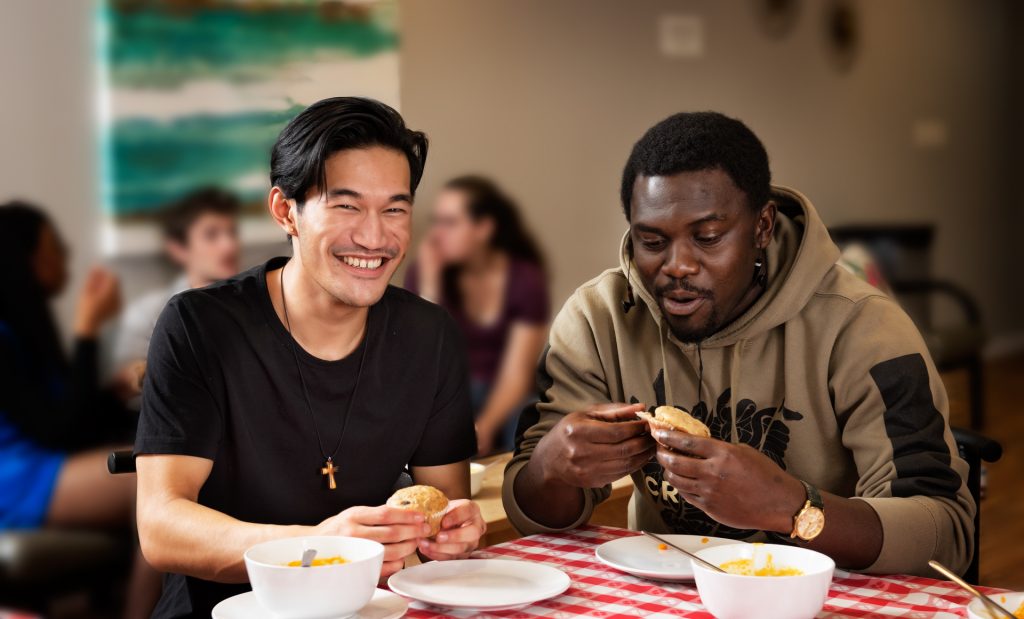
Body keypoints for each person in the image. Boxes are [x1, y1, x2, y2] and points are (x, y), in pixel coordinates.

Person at [503, 112, 975, 576]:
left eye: (707, 237)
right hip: (668, 598)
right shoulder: (597, 319)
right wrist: (551, 467)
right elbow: (534, 515)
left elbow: (945, 533)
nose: (678, 265)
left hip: (826, 598)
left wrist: (790, 507)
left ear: (762, 226)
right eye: (651, 241)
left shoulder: (864, 327)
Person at [134, 97, 486, 619]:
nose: (374, 236)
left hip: (370, 608)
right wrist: (318, 546)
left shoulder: (428, 335)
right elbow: (162, 526)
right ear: (285, 211)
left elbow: (442, 507)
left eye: (395, 208)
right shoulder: (201, 326)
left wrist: (453, 533)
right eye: (346, 205)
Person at [0, 202, 161, 619]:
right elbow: (59, 431)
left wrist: (109, 392)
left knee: (156, 465)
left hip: (41, 465)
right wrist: (87, 327)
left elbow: (72, 419)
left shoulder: (27, 327)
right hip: (15, 480)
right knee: (150, 480)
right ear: (24, 260)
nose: (65, 259)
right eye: (53, 250)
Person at [406, 176, 549, 455]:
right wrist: (431, 288)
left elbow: (517, 373)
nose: (436, 234)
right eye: (436, 221)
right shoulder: (424, 272)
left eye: (449, 223)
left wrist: (485, 425)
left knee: (528, 420)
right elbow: (420, 363)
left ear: (483, 229)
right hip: (444, 388)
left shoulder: (525, 280)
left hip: (505, 395)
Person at [113, 187, 241, 403]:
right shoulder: (147, 312)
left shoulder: (257, 306)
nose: (229, 245)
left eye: (232, 233)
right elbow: (122, 384)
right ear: (178, 249)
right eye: (212, 235)